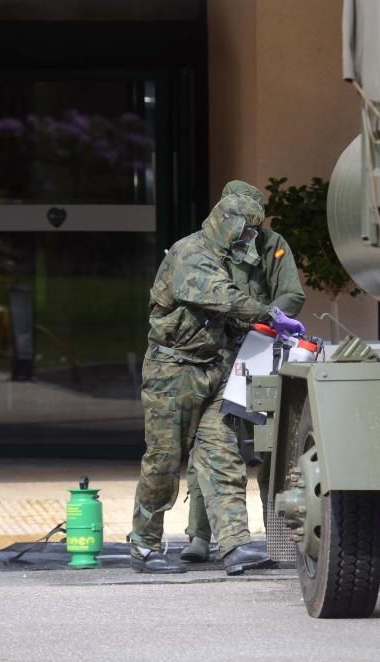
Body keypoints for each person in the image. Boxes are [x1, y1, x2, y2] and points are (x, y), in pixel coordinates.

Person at [129, 192, 305, 574]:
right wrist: (269, 314)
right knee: (163, 462)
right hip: (173, 373)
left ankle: (235, 545)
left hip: (214, 370)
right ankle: (144, 546)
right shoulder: (190, 253)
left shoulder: (228, 258)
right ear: (227, 224)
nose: (250, 240)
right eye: (246, 231)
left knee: (223, 457)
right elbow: (222, 298)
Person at [181, 180, 305, 563]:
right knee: (211, 444)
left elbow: (292, 293)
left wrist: (269, 320)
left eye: (253, 222)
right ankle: (199, 536)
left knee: (272, 440)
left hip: (260, 350)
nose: (246, 229)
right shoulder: (204, 245)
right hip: (214, 353)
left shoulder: (272, 244)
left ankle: (277, 534)